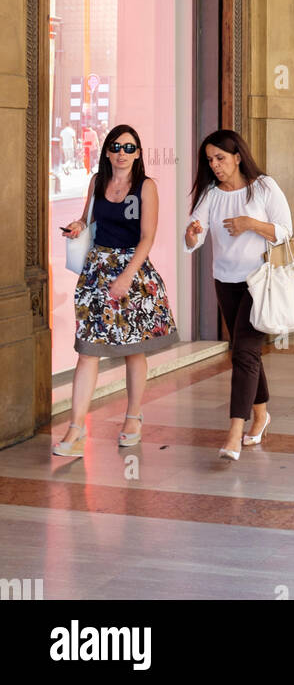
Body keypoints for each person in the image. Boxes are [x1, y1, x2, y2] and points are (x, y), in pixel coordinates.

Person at [53, 124, 177, 458]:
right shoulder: (97, 182)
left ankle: (133, 417)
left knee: (134, 349)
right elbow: (87, 219)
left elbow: (147, 237)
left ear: (138, 154)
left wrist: (126, 277)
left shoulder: (146, 187)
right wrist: (78, 226)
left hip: (132, 271)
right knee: (88, 350)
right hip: (97, 270)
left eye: (129, 148)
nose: (122, 153)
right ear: (107, 151)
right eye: (116, 147)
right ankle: (76, 428)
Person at [185, 129, 293, 460]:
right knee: (246, 352)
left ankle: (234, 430)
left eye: (220, 158)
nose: (215, 165)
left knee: (244, 353)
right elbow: (193, 240)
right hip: (225, 282)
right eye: (209, 160)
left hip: (260, 280)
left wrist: (250, 223)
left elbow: (285, 231)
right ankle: (261, 414)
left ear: (237, 156)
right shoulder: (210, 196)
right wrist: (192, 235)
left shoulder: (263, 187)